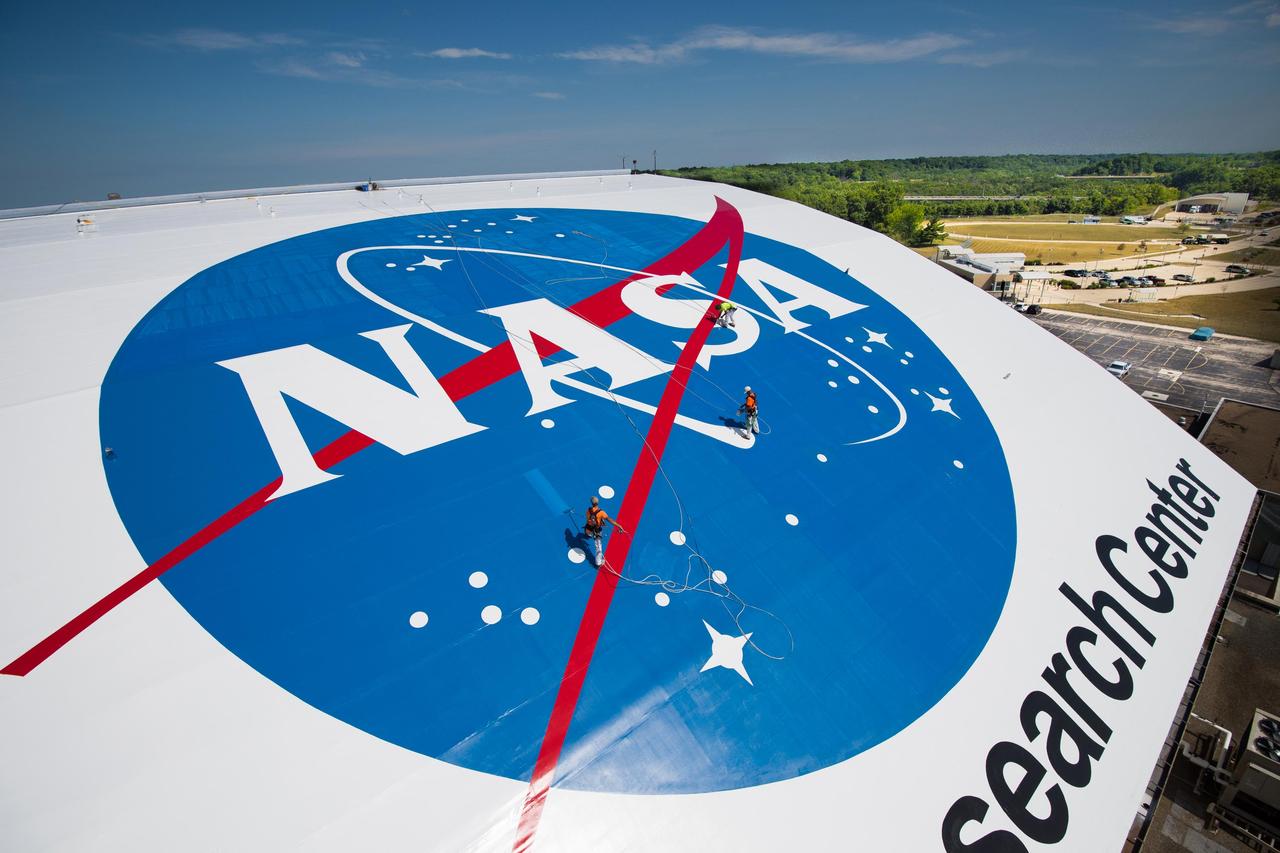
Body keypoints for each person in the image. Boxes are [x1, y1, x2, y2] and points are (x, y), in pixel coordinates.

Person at [584, 496, 625, 567]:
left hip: (588, 529)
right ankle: (598, 563)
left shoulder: (588, 510)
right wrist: (619, 526)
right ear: (598, 503)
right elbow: (610, 520)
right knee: (598, 547)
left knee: (588, 533)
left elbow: (589, 519)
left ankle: (588, 534)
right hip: (596, 531)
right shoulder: (601, 512)